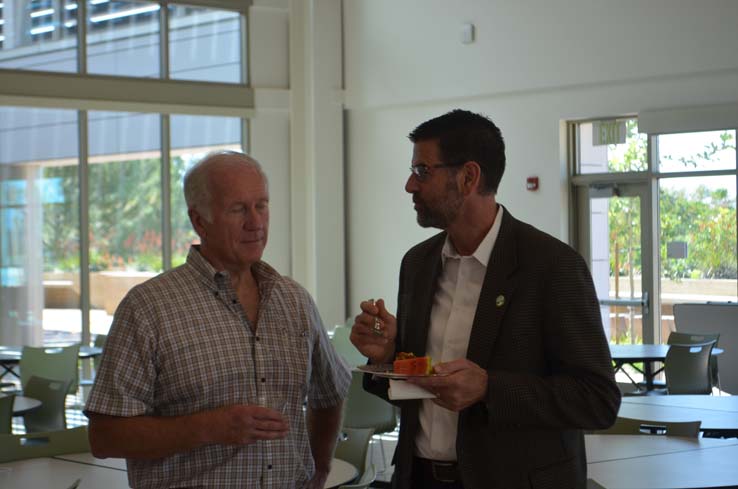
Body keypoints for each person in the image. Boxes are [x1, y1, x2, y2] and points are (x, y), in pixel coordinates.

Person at [350, 110, 620, 489]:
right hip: (420, 478)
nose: (410, 185)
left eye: (423, 171)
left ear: (468, 177)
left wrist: (489, 388)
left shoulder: (551, 266)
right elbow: (421, 391)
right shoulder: (418, 264)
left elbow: (597, 400)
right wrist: (385, 357)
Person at [85, 150, 351, 489]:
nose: (255, 222)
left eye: (262, 205)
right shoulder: (149, 308)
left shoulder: (294, 300)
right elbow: (105, 437)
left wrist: (319, 470)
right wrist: (207, 428)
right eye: (238, 209)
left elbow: (330, 393)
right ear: (200, 221)